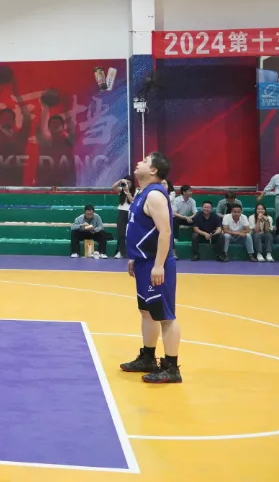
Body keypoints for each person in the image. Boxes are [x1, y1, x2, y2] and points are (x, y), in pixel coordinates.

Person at [119, 151, 181, 384]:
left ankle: (172, 368)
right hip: (144, 261)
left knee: (165, 316)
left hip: (157, 262)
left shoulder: (155, 195)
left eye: (145, 161)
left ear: (153, 170)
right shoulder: (142, 193)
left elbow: (165, 232)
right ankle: (148, 357)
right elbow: (142, 229)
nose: (139, 162)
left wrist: (158, 266)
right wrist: (135, 257)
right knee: (147, 311)